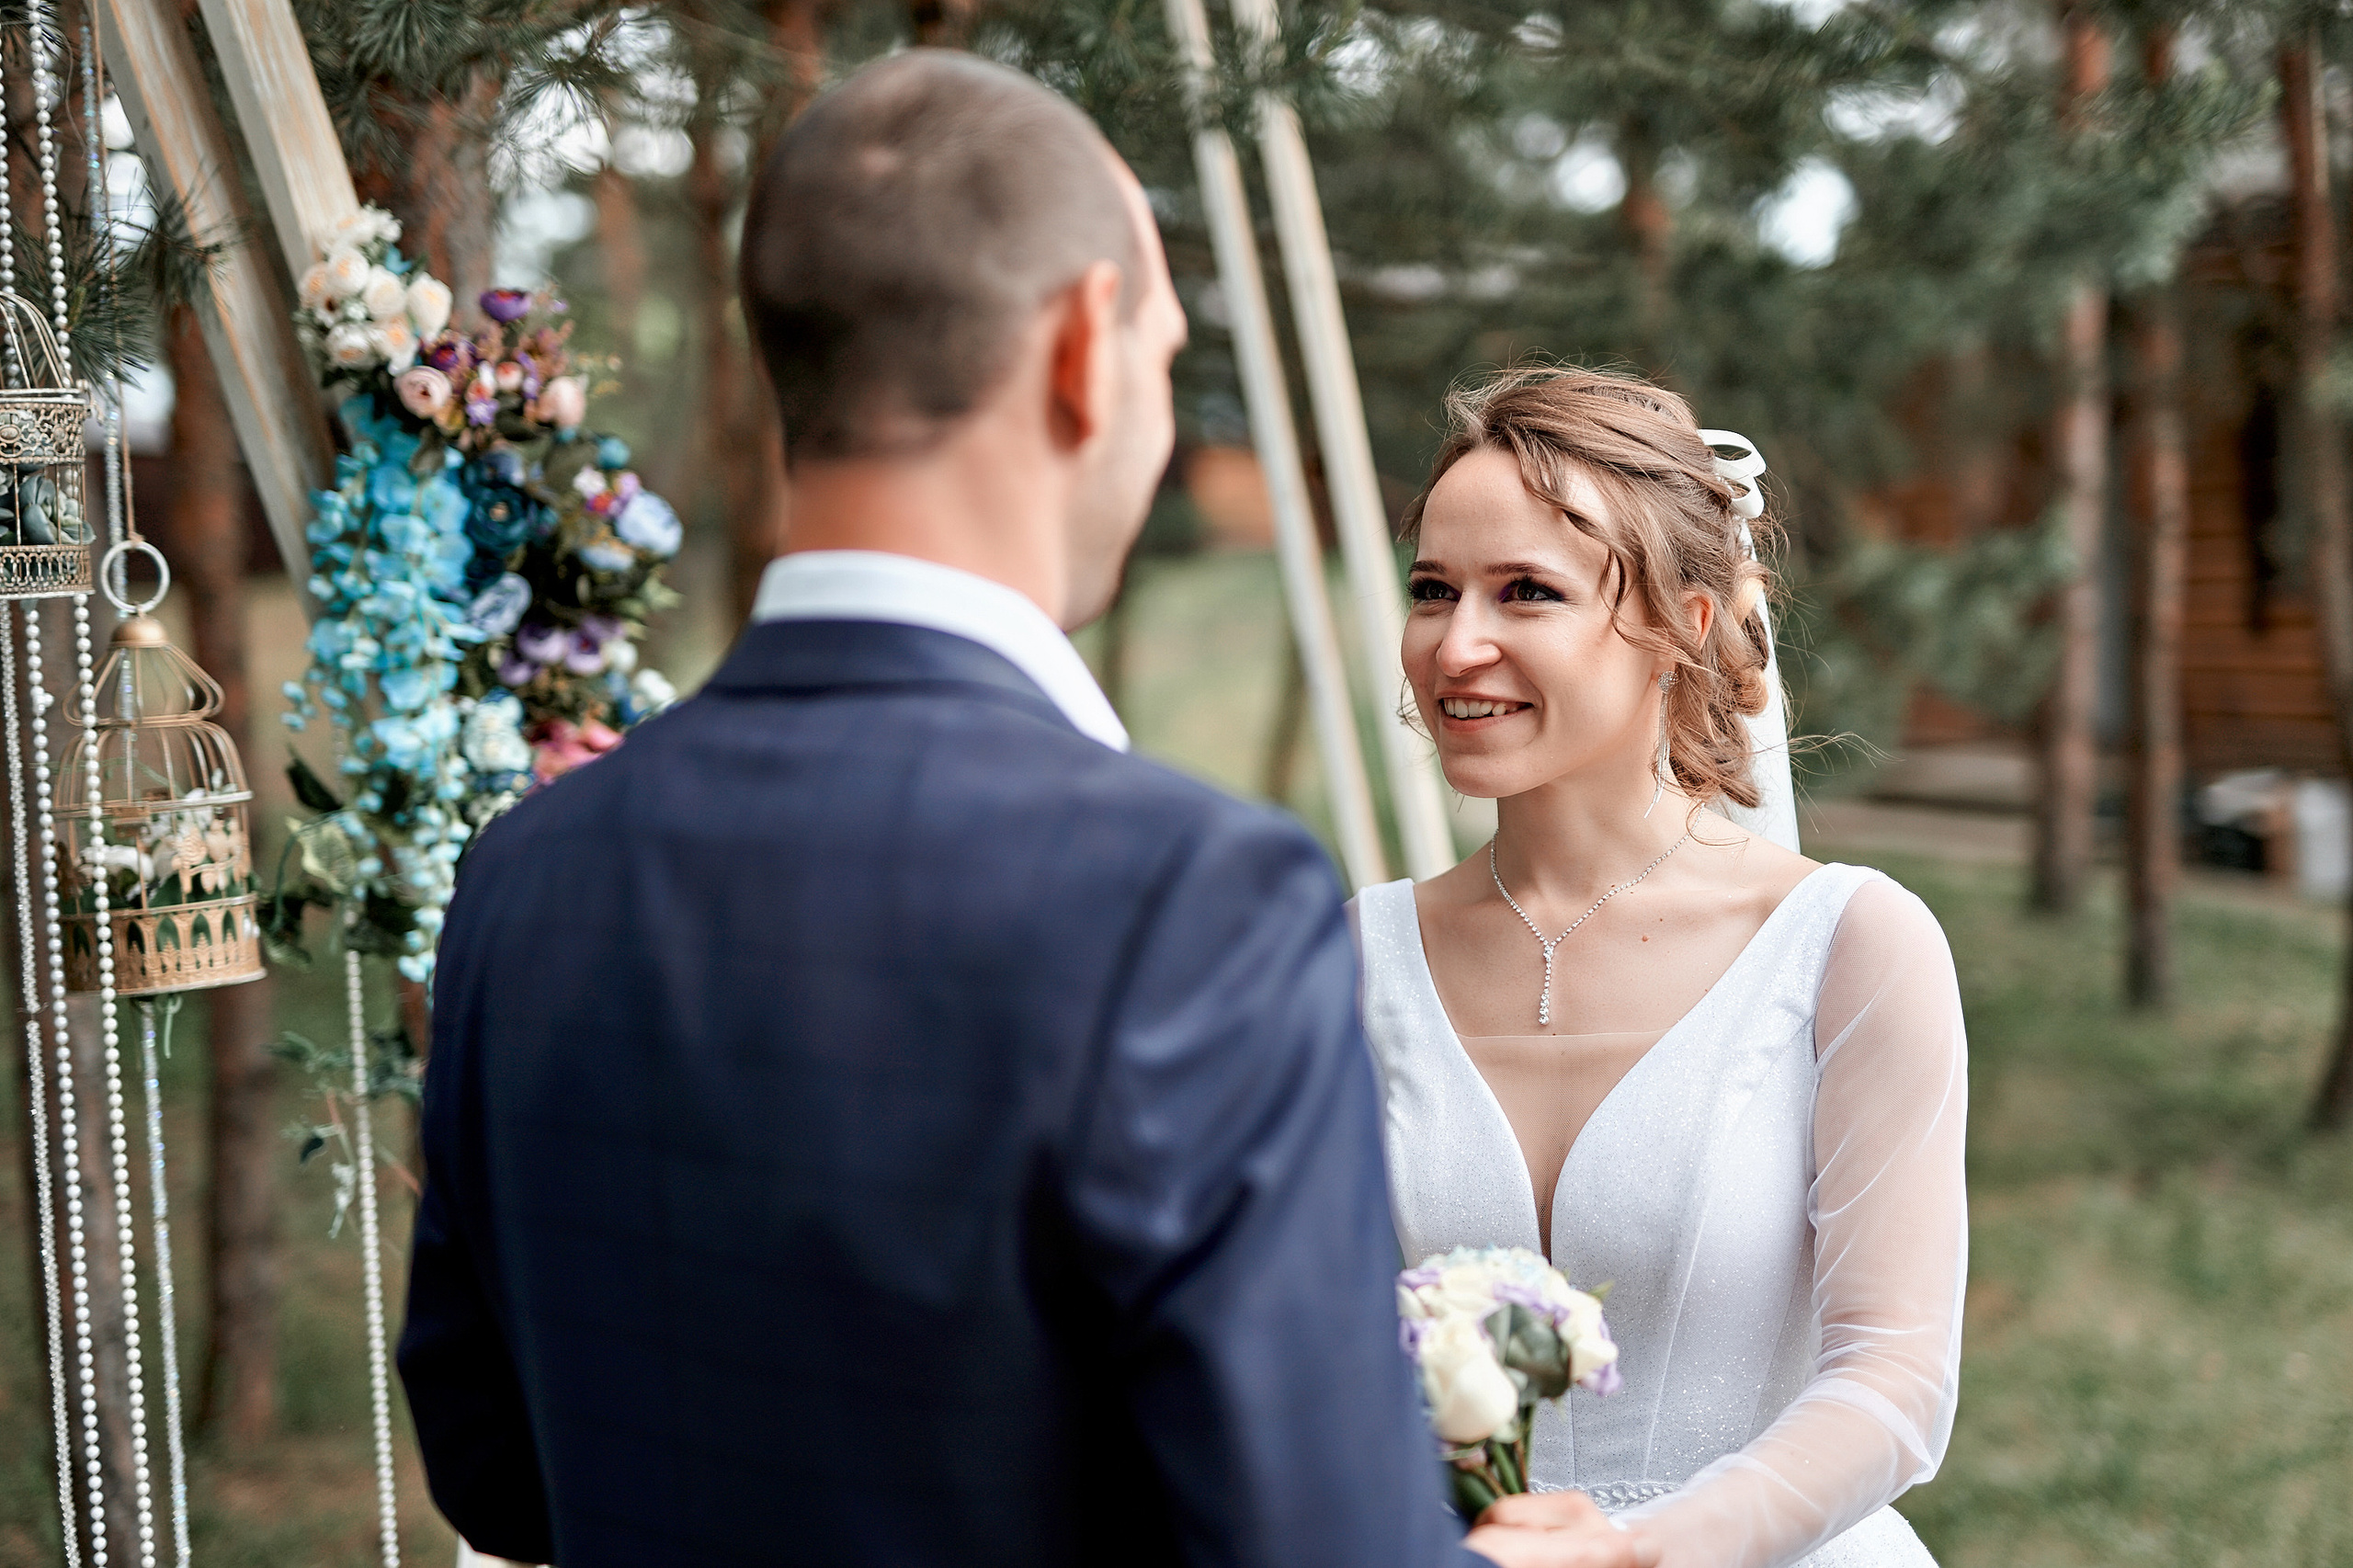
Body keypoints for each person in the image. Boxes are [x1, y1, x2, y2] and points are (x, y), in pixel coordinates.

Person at [397, 51, 1656, 1568]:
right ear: (1082, 345)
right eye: (1165, 350)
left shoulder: (534, 868)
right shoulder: (1188, 898)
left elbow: (496, 1469)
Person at [1354, 368, 1968, 1568]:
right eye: (1433, 588)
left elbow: (1896, 1381)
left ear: (1683, 626)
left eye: (1526, 589)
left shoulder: (1851, 949)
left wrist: (1647, 1550)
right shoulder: (1343, 960)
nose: (1456, 642)